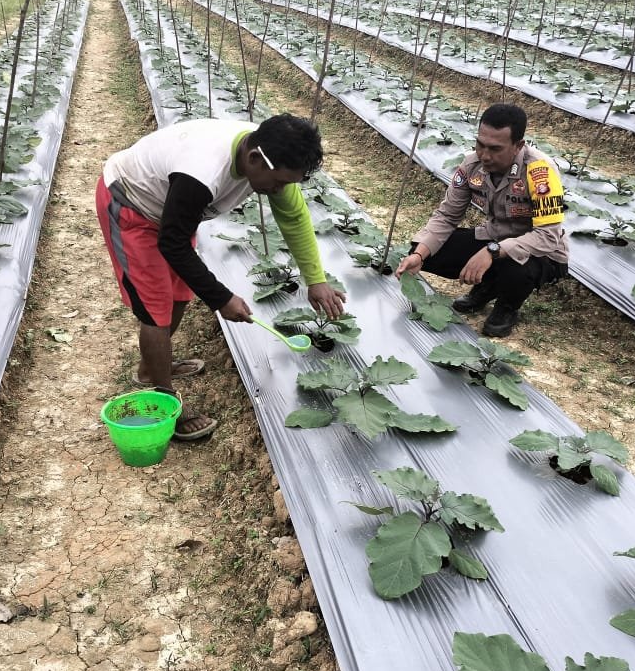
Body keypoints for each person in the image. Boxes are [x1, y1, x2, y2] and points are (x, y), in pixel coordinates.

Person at [96, 114, 346, 440]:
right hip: (131, 204)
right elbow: (171, 243)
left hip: (172, 214)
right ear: (255, 159)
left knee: (180, 292)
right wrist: (221, 298)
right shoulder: (202, 170)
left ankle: (153, 364)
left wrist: (316, 279)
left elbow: (295, 218)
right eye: (281, 182)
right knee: (155, 307)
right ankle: (163, 396)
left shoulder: (269, 161)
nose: (280, 190)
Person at [395, 103, 568, 337]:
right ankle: (488, 286)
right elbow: (447, 216)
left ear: (518, 146)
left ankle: (507, 306)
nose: (485, 155)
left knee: (515, 267)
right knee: (426, 249)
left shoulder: (540, 172)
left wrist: (491, 251)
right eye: (480, 145)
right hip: (494, 237)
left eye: (495, 148)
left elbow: (547, 236)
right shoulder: (471, 166)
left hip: (540, 252)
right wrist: (419, 255)